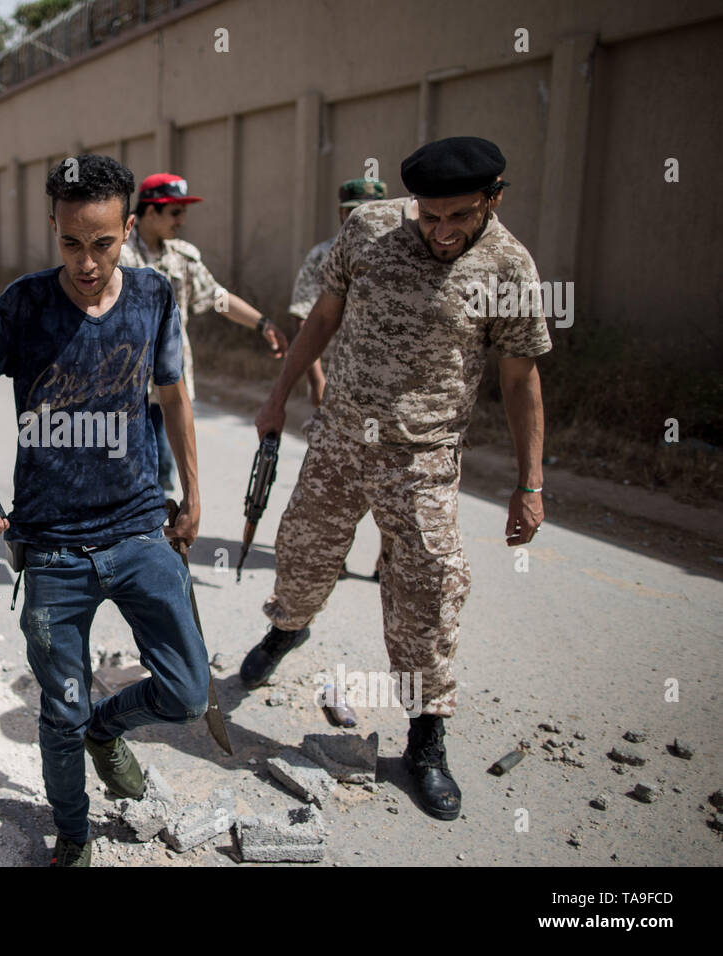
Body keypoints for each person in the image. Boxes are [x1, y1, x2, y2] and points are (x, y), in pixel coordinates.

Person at [239, 137, 549, 821]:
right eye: (429, 217)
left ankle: (425, 741)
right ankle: (287, 628)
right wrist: (277, 395)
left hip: (424, 461)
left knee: (429, 592)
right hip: (341, 441)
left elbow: (521, 376)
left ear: (493, 199)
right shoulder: (370, 231)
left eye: (458, 218)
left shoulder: (510, 267)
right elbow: (324, 317)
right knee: (301, 554)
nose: (440, 233)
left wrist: (530, 483)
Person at [0, 154, 209, 866]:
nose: (87, 261)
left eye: (103, 243)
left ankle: (110, 729)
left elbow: (175, 397)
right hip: (54, 546)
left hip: (136, 529)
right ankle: (72, 833)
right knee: (59, 709)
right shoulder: (23, 305)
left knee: (188, 693)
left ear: (129, 227)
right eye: (71, 242)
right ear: (54, 228)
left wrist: (192, 494)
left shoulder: (155, 296)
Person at [117, 172, 288, 490]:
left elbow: (217, 299)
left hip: (169, 387)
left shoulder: (183, 257)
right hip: (123, 387)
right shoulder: (117, 252)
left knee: (164, 473)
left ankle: (161, 536)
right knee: (120, 473)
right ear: (151, 210)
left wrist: (262, 324)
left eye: (184, 212)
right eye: (175, 212)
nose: (182, 220)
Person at [288, 178, 387, 581]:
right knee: (334, 474)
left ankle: (388, 559)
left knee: (388, 475)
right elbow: (303, 317)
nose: (357, 218)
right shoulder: (323, 255)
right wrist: (315, 378)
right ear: (340, 213)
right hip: (337, 384)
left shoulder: (405, 255)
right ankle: (334, 555)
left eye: (366, 209)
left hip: (387, 392)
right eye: (351, 211)